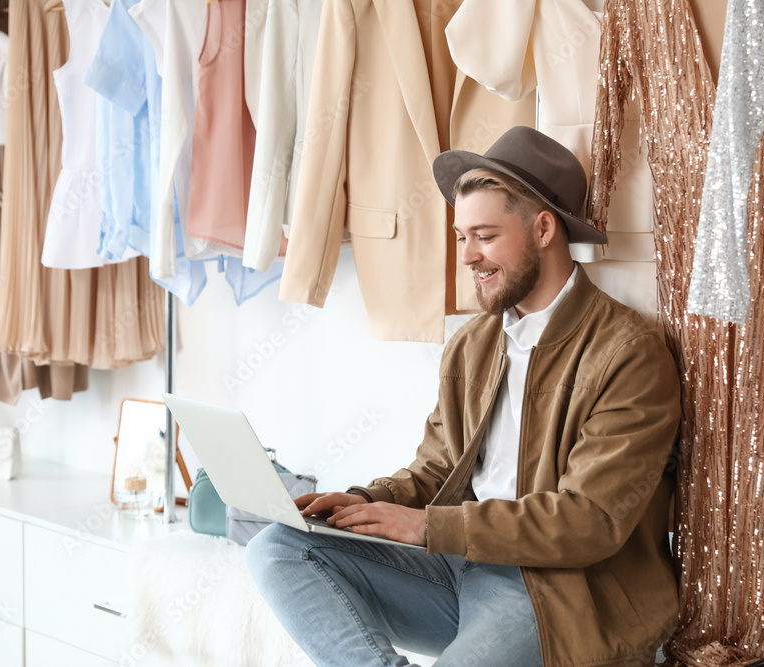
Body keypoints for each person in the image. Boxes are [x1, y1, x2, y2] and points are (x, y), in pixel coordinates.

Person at [245, 126, 682, 666]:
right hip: (461, 564)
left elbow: (590, 520)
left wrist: (431, 526)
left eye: (485, 235)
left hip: (556, 591)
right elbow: (438, 468)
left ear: (544, 229)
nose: (469, 256)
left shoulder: (626, 352)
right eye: (461, 237)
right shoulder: (473, 344)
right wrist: (362, 501)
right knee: (279, 548)